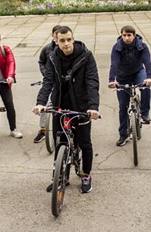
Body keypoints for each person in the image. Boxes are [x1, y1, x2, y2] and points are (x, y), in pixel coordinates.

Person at [33, 26, 100, 193]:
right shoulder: (53, 57)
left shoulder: (86, 56)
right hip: (60, 105)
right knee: (60, 142)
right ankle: (60, 176)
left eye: (69, 39)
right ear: (56, 40)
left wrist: (93, 107)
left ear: (73, 38)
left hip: (81, 106)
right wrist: (41, 102)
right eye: (62, 40)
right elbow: (48, 81)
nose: (66, 43)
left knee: (84, 143)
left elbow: (92, 82)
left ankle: (86, 174)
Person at [108, 25, 151, 146]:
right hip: (122, 76)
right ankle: (123, 134)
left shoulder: (142, 46)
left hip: (138, 72)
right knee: (123, 106)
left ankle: (144, 113)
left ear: (134, 35)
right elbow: (114, 64)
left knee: (145, 87)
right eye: (124, 35)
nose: (126, 38)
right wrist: (112, 80)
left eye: (129, 35)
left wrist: (149, 77)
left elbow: (147, 62)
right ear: (121, 35)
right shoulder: (117, 47)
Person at [34, 25, 61, 143]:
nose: (56, 38)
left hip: (62, 82)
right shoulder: (47, 49)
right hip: (50, 81)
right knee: (44, 106)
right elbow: (41, 62)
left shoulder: (67, 48)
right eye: (55, 35)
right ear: (53, 35)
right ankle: (43, 130)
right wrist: (46, 74)